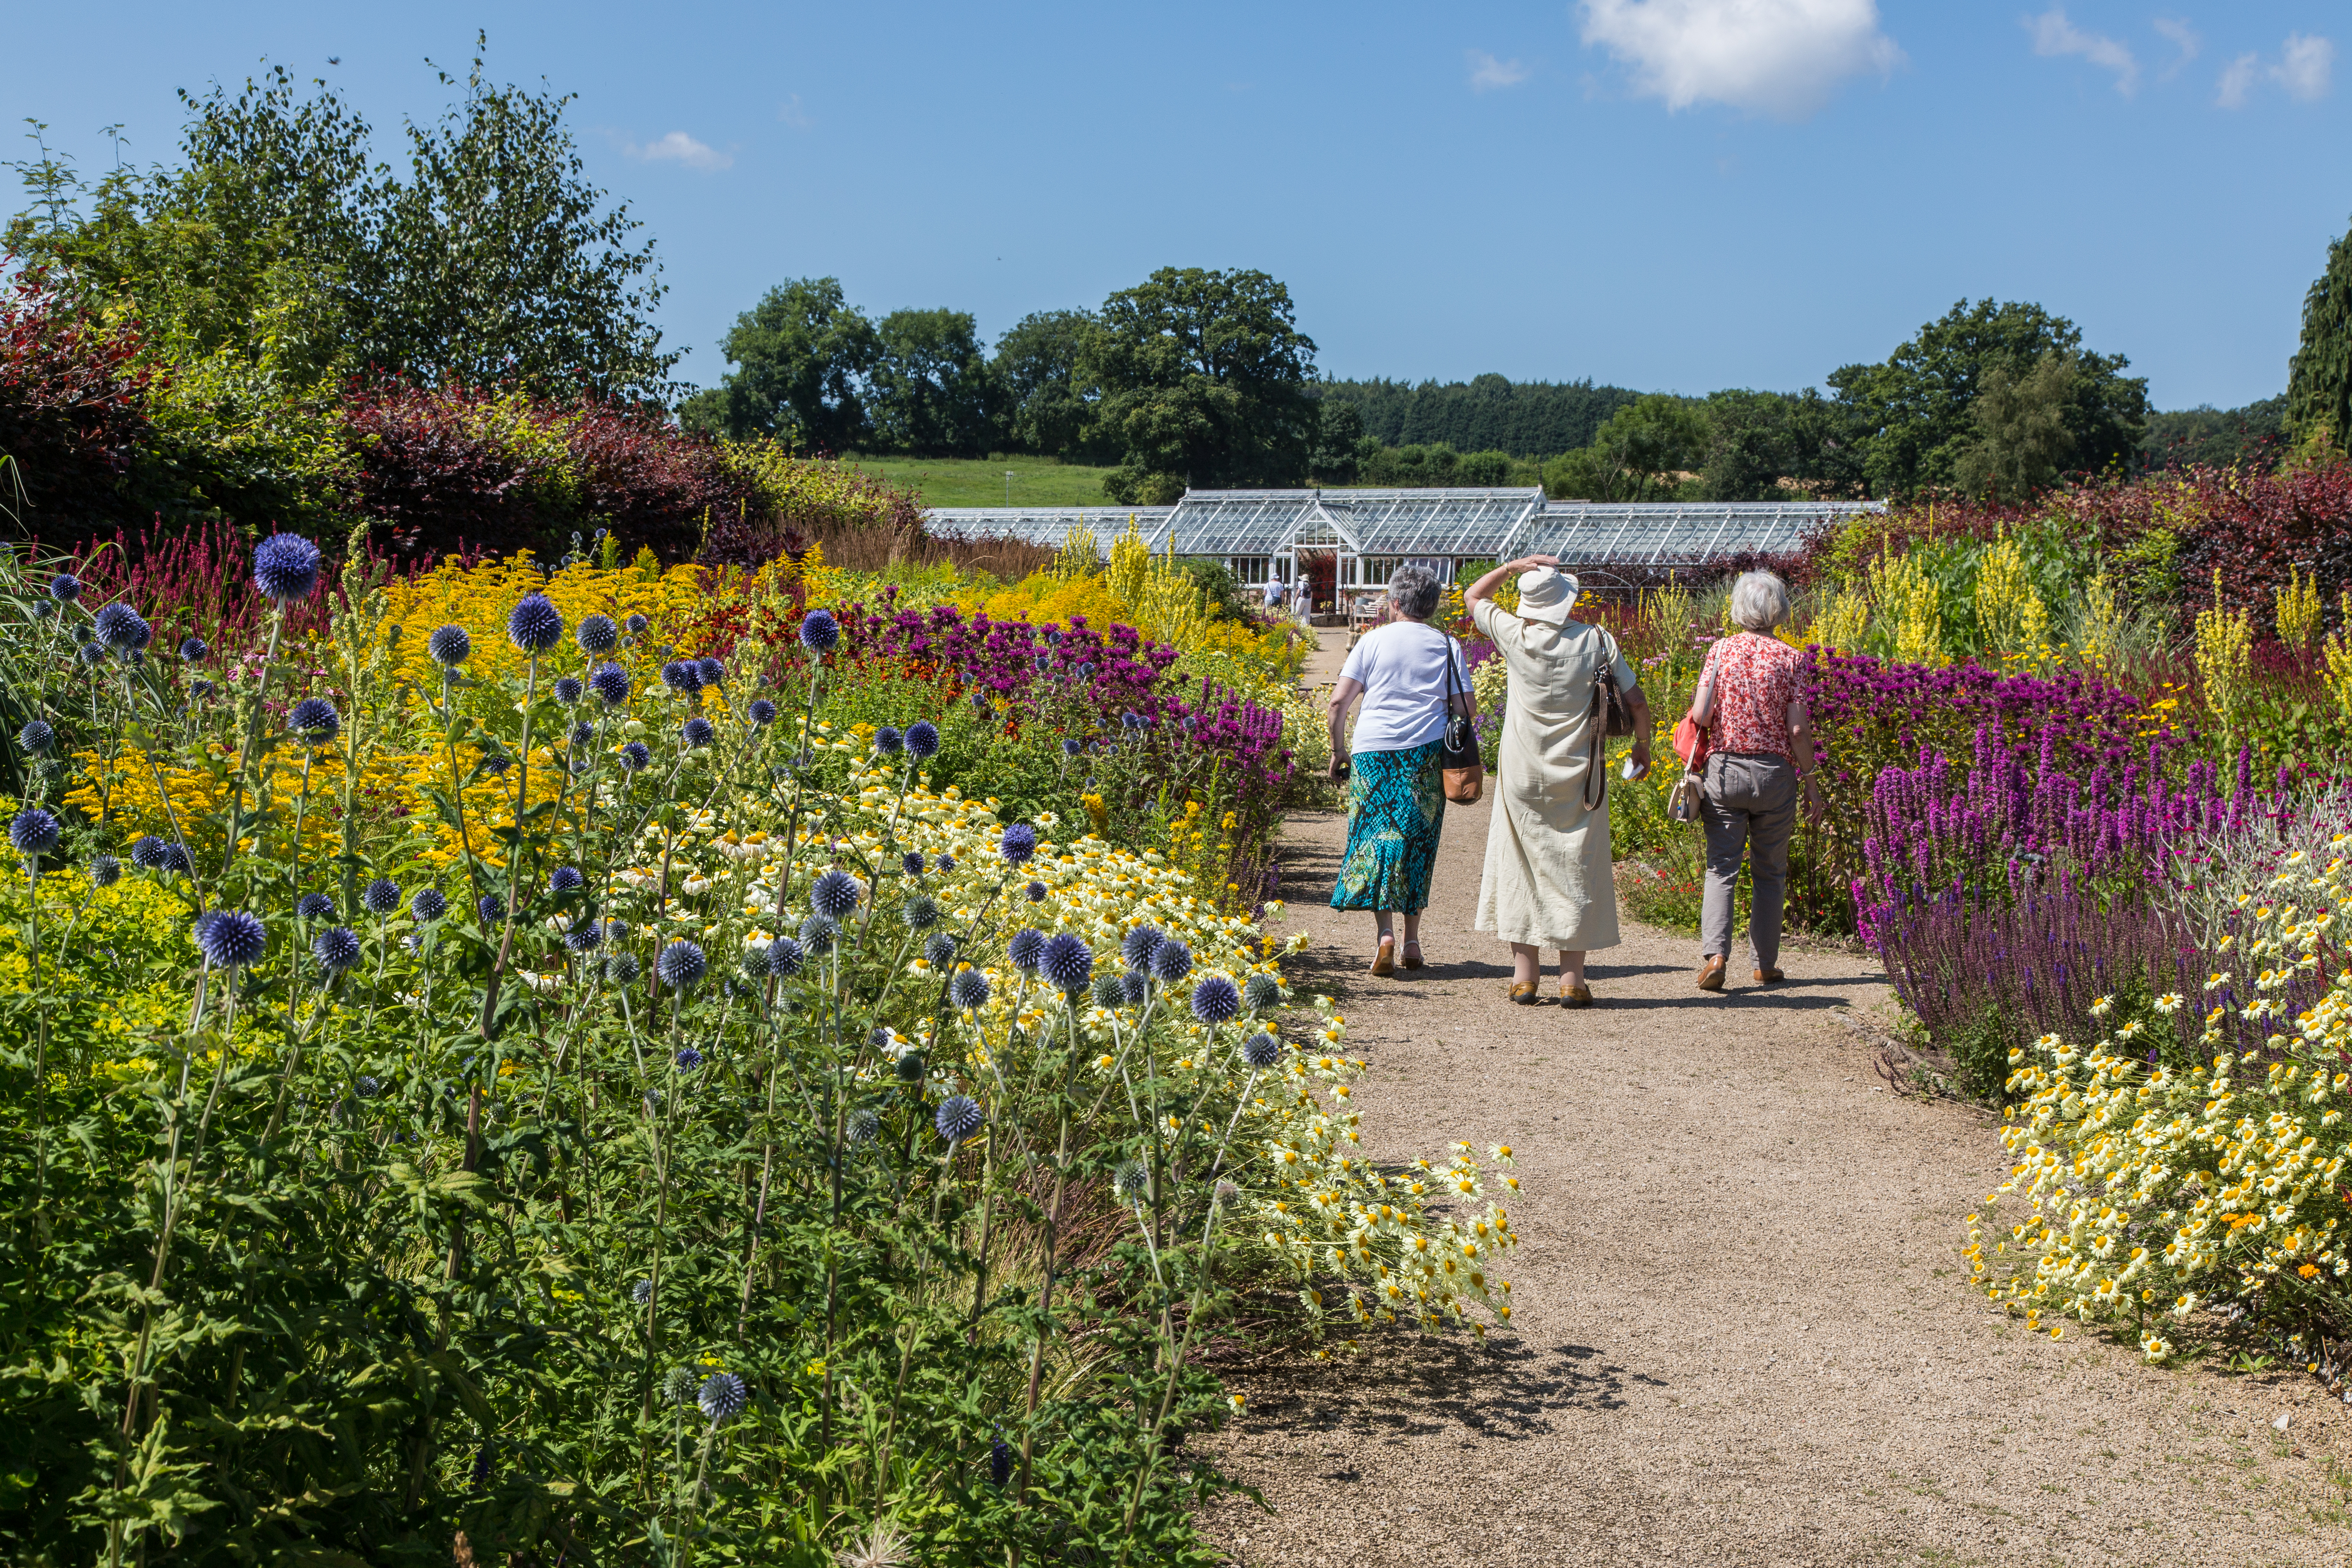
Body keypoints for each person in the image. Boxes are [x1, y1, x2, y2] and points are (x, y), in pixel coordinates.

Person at [1463, 557, 1652, 1007]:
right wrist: (1642, 745)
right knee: (1576, 865)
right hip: (1581, 772)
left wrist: (1513, 567)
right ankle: (1572, 980)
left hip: (1522, 771)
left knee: (1520, 864)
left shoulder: (1514, 634)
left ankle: (1525, 978)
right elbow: (1637, 702)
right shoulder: (1596, 640)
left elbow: (1474, 597)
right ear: (1566, 602)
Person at [1325, 564, 1474, 976]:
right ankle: (1412, 942)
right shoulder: (1447, 645)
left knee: (1375, 839)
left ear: (1394, 604)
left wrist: (1338, 751)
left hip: (1373, 752)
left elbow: (1338, 704)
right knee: (1418, 843)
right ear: (1433, 606)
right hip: (1424, 755)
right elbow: (1466, 709)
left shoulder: (1371, 641)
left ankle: (1385, 936)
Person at [1687, 570, 1824, 991]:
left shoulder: (1721, 650)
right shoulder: (1792, 659)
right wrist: (1812, 781)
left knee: (1721, 868)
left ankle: (1716, 956)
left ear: (1738, 608)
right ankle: (1764, 964)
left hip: (1725, 770)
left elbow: (1701, 714)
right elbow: (1797, 730)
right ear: (1780, 609)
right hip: (1774, 775)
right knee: (1770, 872)